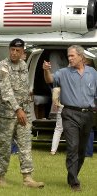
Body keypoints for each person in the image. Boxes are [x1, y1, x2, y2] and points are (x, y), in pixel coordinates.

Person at [43, 45, 97, 191]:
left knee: (81, 149)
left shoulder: (92, 72)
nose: (70, 58)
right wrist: (46, 70)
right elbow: (50, 79)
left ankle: (72, 175)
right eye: (68, 56)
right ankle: (74, 182)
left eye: (72, 56)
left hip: (88, 114)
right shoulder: (63, 72)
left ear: (81, 56)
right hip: (69, 114)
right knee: (72, 147)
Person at [0, 38, 44, 188]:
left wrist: (26, 111)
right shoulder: (2, 66)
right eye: (12, 50)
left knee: (25, 144)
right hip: (5, 114)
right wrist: (18, 110)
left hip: (23, 113)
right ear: (9, 50)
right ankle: (0, 177)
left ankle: (27, 178)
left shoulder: (23, 65)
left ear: (23, 52)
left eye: (18, 51)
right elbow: (6, 91)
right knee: (4, 146)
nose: (14, 53)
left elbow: (23, 89)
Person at [50, 87, 63, 155]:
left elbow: (55, 91)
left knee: (58, 129)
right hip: (72, 107)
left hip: (61, 106)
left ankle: (53, 150)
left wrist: (56, 103)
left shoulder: (58, 87)